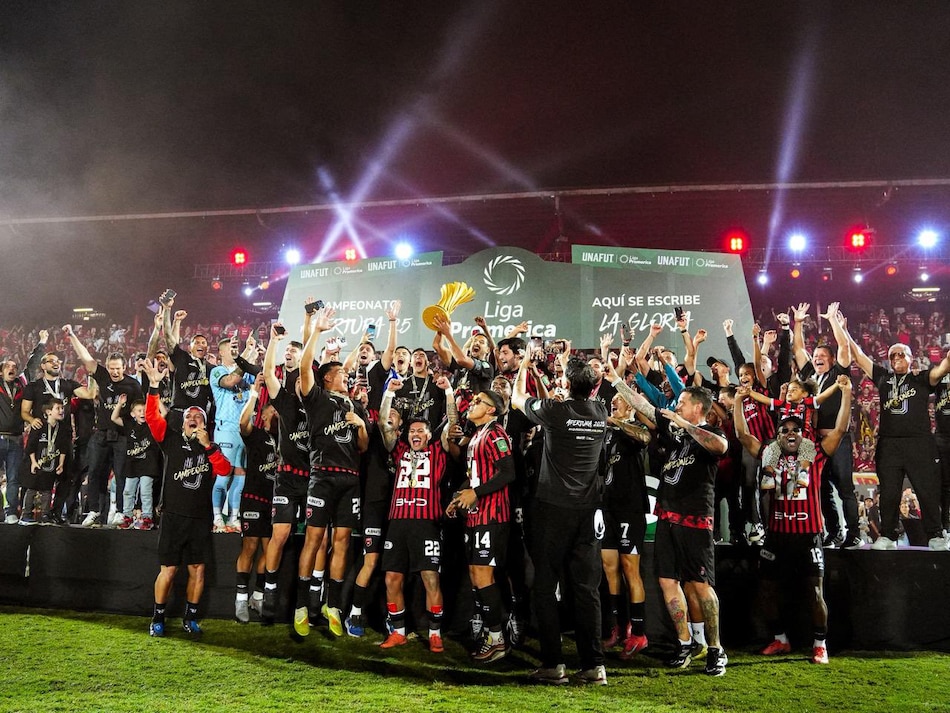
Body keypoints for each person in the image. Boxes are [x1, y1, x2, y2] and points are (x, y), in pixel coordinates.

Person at [613, 377, 729, 676]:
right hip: (666, 518)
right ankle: (684, 642)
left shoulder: (709, 432)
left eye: (682, 403)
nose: (676, 406)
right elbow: (645, 407)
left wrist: (683, 423)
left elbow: (720, 446)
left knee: (702, 587)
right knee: (667, 582)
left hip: (695, 521)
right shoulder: (674, 436)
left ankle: (716, 649)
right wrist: (616, 380)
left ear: (698, 408)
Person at [734, 375, 852, 665]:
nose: (790, 433)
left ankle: (820, 644)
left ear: (803, 433)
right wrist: (738, 402)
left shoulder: (815, 453)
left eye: (795, 430)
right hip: (777, 535)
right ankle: (780, 639)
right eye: (784, 429)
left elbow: (840, 430)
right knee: (766, 589)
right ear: (778, 434)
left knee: (814, 591)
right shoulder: (769, 453)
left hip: (809, 534)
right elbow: (743, 435)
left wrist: (846, 395)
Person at [512, 355, 610, 685]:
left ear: (567, 384)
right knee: (586, 589)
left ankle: (554, 664)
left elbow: (516, 399)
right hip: (587, 512)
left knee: (544, 585)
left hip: (552, 510)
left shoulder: (556, 412)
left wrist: (525, 363)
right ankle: (594, 665)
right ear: (594, 387)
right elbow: (586, 392)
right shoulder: (601, 413)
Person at [843, 315, 950, 551]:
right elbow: (859, 356)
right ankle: (888, 535)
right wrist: (842, 329)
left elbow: (943, 367)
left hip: (920, 442)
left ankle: (935, 534)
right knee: (889, 492)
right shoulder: (883, 377)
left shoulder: (921, 378)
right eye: (893, 355)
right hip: (889, 444)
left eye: (901, 354)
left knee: (927, 490)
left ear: (912, 359)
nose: (896, 358)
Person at [142, 358, 231, 637]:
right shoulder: (170, 440)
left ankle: (190, 618)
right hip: (173, 515)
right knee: (168, 570)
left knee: (197, 570)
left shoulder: (209, 447)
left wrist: (208, 445)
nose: (194, 419)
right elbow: (151, 418)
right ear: (183, 422)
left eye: (199, 418)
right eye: (190, 417)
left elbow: (225, 470)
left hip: (199, 517)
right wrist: (154, 386)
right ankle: (157, 617)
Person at [295, 306, 370, 638]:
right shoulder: (317, 398)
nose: (346, 376)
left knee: (342, 542)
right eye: (341, 373)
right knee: (314, 539)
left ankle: (333, 605)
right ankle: (300, 604)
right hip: (322, 476)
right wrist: (317, 331)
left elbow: (364, 447)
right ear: (327, 377)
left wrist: (361, 425)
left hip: (350, 479)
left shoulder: (354, 406)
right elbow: (303, 367)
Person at [376, 376, 457, 652]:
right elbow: (383, 424)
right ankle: (397, 631)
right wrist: (388, 393)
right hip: (397, 523)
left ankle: (435, 633)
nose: (416, 435)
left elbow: (453, 425)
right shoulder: (398, 450)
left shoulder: (438, 451)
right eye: (412, 431)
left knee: (430, 578)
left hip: (427, 523)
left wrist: (448, 393)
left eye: (421, 431)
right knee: (391, 578)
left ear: (429, 434)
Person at [446, 388, 515, 663]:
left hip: (492, 516)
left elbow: (508, 472)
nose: (472, 403)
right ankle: (490, 632)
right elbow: (475, 478)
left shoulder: (495, 433)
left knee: (484, 576)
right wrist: (460, 496)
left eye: (478, 401)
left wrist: (475, 494)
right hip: (477, 515)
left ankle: (497, 639)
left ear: (491, 410)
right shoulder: (476, 435)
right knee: (476, 574)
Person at [792, 301, 861, 549]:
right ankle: (834, 532)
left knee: (844, 486)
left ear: (832, 360)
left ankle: (854, 533)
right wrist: (798, 323)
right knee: (821, 490)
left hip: (838, 439)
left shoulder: (838, 374)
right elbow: (798, 349)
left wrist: (833, 319)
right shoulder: (810, 376)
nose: (817, 358)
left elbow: (844, 346)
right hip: (815, 441)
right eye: (816, 356)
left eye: (823, 356)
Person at [64, 324, 143, 527]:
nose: (115, 372)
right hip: (100, 434)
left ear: (125, 367)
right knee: (95, 473)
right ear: (107, 367)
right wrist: (72, 335)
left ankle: (120, 512)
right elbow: (86, 358)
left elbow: (139, 411)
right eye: (112, 368)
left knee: (121, 474)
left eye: (118, 368)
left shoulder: (133, 385)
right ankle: (93, 511)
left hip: (122, 435)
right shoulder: (103, 376)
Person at [234, 374, 278, 623]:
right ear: (263, 416)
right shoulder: (256, 436)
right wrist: (253, 393)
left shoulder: (283, 440)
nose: (275, 415)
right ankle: (240, 599)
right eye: (271, 412)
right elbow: (242, 424)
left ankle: (258, 596)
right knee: (249, 546)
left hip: (273, 500)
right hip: (253, 497)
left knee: (268, 548)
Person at [110, 393, 161, 530]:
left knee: (145, 491)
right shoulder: (129, 425)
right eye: (139, 411)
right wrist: (120, 404)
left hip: (148, 464)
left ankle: (147, 517)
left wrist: (156, 402)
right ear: (133, 414)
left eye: (145, 410)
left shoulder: (152, 424)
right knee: (128, 491)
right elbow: (114, 418)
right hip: (132, 464)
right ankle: (127, 516)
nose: (142, 413)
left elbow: (165, 414)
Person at [19, 399, 69, 525]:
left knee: (47, 489)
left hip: (52, 464)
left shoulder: (62, 428)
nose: (61, 410)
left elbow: (63, 448)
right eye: (58, 408)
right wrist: (33, 462)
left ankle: (46, 514)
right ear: (49, 411)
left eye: (62, 408)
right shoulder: (39, 426)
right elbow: (30, 446)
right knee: (32, 488)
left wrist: (61, 463)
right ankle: (26, 514)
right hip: (37, 463)